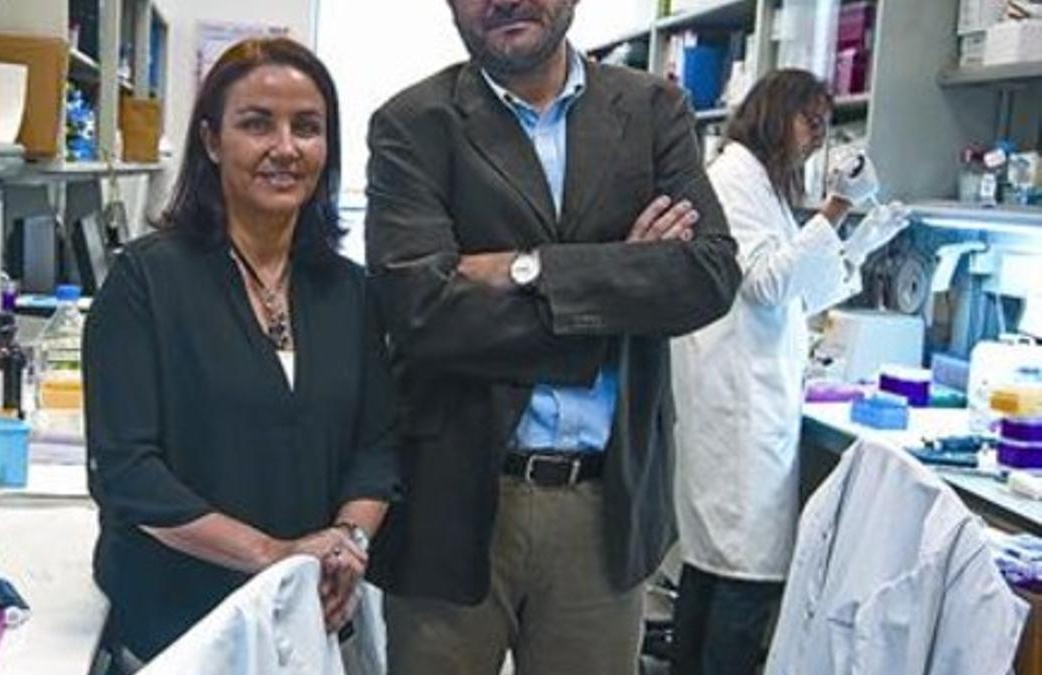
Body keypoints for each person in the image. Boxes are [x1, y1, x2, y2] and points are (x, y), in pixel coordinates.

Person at [363, 1, 744, 673]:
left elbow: (709, 274)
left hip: (605, 509)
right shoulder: (412, 124)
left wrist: (526, 268)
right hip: (452, 504)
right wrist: (621, 288)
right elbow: (421, 313)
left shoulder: (653, 110)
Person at [83, 37, 399, 663]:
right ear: (210, 141)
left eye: (307, 127)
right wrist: (272, 556)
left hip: (306, 622)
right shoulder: (149, 280)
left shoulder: (348, 290)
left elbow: (378, 444)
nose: (285, 148)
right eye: (257, 124)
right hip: (180, 630)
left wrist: (346, 539)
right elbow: (126, 471)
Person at [669, 69, 910, 675]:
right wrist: (836, 207)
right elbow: (767, 283)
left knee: (716, 576)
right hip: (737, 413)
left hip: (750, 407)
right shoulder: (733, 179)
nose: (816, 137)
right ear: (777, 114)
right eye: (811, 121)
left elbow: (802, 294)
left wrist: (861, 240)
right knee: (740, 582)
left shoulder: (765, 186)